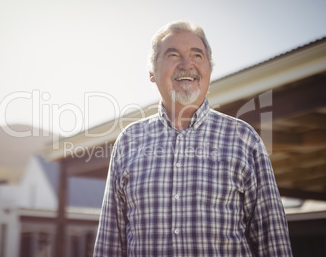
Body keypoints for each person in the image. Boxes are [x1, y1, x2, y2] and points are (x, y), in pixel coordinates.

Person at [93, 21, 293, 256]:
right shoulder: (128, 142)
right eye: (173, 54)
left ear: (209, 68)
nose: (187, 64)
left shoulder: (244, 140)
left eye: (197, 55)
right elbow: (110, 244)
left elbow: (274, 243)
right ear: (151, 73)